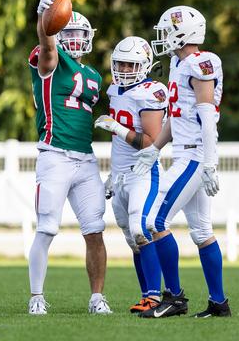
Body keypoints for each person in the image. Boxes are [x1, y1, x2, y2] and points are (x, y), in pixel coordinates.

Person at [133, 5, 231, 318]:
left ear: (183, 31)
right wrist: (153, 149)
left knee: (154, 222)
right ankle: (219, 303)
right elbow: (177, 119)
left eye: (167, 31)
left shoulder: (201, 62)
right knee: (202, 231)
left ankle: (174, 298)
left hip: (194, 154)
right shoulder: (179, 63)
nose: (163, 38)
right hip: (184, 150)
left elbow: (206, 118)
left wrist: (209, 163)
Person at [27, 0, 112, 315]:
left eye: (80, 34)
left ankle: (97, 298)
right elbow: (47, 44)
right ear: (58, 32)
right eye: (69, 32)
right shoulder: (51, 60)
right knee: (47, 228)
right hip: (55, 155)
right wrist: (42, 19)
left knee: (95, 230)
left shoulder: (93, 75)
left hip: (85, 160)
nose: (75, 39)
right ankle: (37, 297)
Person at [94, 36, 169, 313]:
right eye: (120, 63)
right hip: (122, 175)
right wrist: (114, 173)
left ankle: (157, 297)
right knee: (131, 239)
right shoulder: (115, 90)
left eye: (131, 64)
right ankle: (146, 295)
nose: (124, 69)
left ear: (146, 64)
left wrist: (117, 128)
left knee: (142, 230)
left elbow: (152, 140)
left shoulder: (151, 91)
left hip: (143, 173)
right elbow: (119, 145)